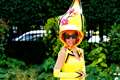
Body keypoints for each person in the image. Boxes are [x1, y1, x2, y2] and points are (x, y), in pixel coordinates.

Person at [53, 0, 86, 79]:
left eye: (73, 36)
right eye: (68, 36)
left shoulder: (80, 51)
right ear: (64, 38)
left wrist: (83, 75)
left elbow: (83, 72)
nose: (70, 39)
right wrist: (76, 75)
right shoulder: (63, 52)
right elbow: (56, 73)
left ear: (77, 37)